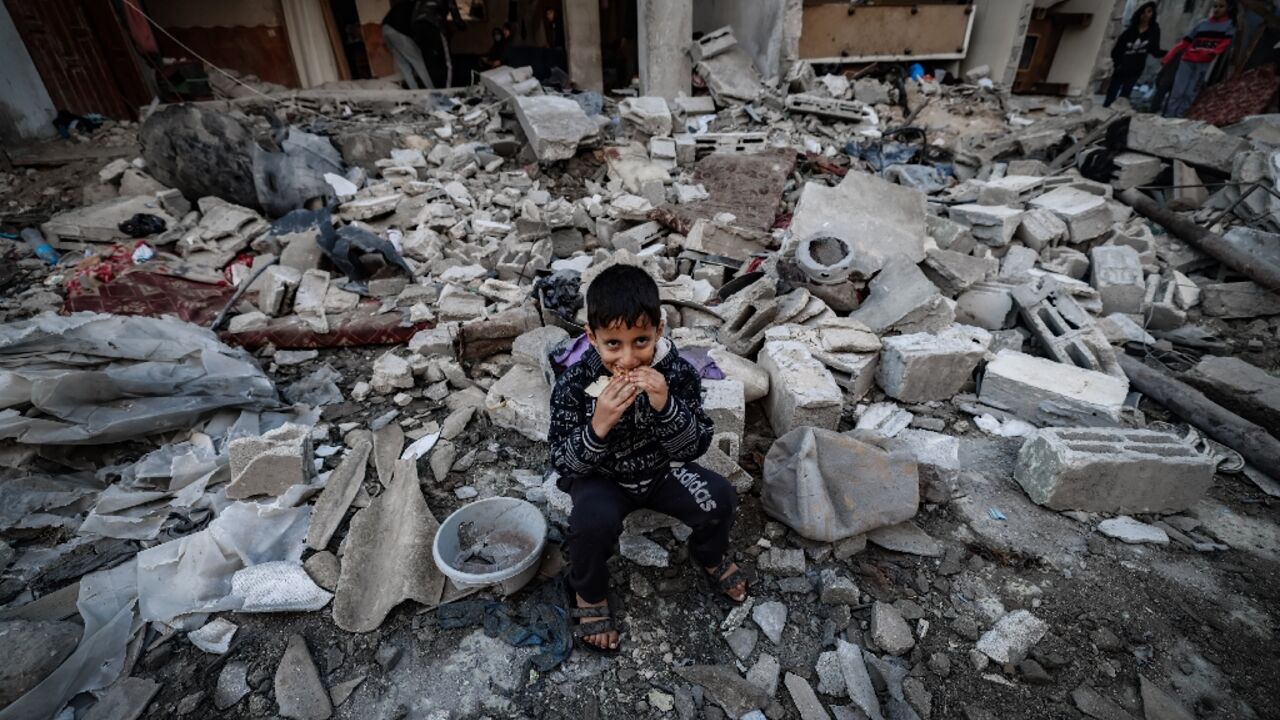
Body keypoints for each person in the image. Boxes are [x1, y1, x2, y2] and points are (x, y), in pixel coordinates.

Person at [549, 264, 748, 652]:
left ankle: (709, 554)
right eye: (613, 345)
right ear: (592, 338)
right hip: (601, 477)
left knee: (719, 497)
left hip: (661, 472)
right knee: (590, 522)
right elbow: (563, 462)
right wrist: (599, 425)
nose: (628, 359)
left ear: (659, 330)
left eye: (641, 341)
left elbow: (693, 448)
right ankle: (588, 593)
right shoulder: (573, 384)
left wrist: (666, 404)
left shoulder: (678, 374)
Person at [1162, 0, 1236, 117]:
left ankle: (1179, 118)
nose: (1217, 9)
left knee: (1190, 93)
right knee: (1178, 91)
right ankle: (1168, 117)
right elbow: (1185, 42)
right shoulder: (1202, 24)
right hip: (1187, 61)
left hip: (1203, 64)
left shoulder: (1229, 26)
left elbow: (1225, 43)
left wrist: (1213, 53)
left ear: (1228, 8)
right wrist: (1168, 57)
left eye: (1221, 6)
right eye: (1215, 6)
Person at [1105, 2, 1164, 107]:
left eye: (1149, 12)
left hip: (1136, 69)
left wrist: (1170, 53)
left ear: (1153, 14)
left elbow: (1154, 50)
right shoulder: (1129, 31)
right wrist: (1115, 64)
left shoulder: (1154, 31)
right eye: (1144, 12)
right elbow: (1117, 50)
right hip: (1121, 67)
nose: (1146, 15)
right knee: (1111, 95)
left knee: (1124, 97)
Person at [382, 0, 433, 89]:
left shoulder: (404, 4)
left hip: (385, 29)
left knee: (404, 66)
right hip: (397, 30)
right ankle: (434, 92)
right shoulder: (418, 7)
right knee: (418, 61)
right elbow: (417, 26)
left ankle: (415, 92)